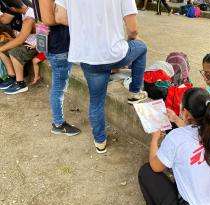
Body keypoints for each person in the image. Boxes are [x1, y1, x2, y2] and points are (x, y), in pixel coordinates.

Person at [53, 0, 148, 153]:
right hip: (114, 54)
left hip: (87, 55)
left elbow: (60, 17)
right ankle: (135, 92)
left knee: (96, 101)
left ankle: (100, 142)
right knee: (141, 48)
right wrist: (128, 41)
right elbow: (133, 30)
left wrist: (86, 25)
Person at [137, 88, 210, 205]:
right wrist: (175, 119)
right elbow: (193, 133)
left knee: (146, 172)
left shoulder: (176, 138)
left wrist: (155, 138)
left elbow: (155, 166)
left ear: (186, 113)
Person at [39, 0, 81, 137]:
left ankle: (58, 122)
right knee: (59, 87)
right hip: (58, 47)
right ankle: (58, 124)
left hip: (58, 44)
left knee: (59, 85)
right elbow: (48, 19)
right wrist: (79, 19)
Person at [0, 0, 37, 94]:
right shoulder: (25, 13)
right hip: (25, 42)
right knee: (2, 45)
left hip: (34, 47)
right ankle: (12, 76)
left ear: (13, 8)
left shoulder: (30, 17)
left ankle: (20, 84)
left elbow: (20, 40)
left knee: (14, 51)